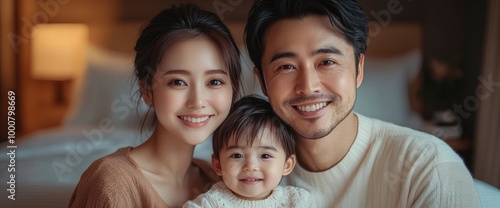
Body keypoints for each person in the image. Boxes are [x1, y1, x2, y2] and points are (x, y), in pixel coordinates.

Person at [244, 0, 481, 207]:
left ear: (358, 69)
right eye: (286, 67)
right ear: (263, 82)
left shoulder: (428, 168)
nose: (308, 86)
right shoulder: (243, 172)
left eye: (326, 61)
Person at [69, 4, 242, 207]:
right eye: (178, 82)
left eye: (214, 82)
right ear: (147, 91)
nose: (198, 101)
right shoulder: (112, 182)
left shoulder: (218, 179)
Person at [183, 95, 314, 207]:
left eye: (265, 155)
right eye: (237, 155)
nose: (250, 166)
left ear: (287, 165)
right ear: (218, 165)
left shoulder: (298, 202)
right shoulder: (209, 203)